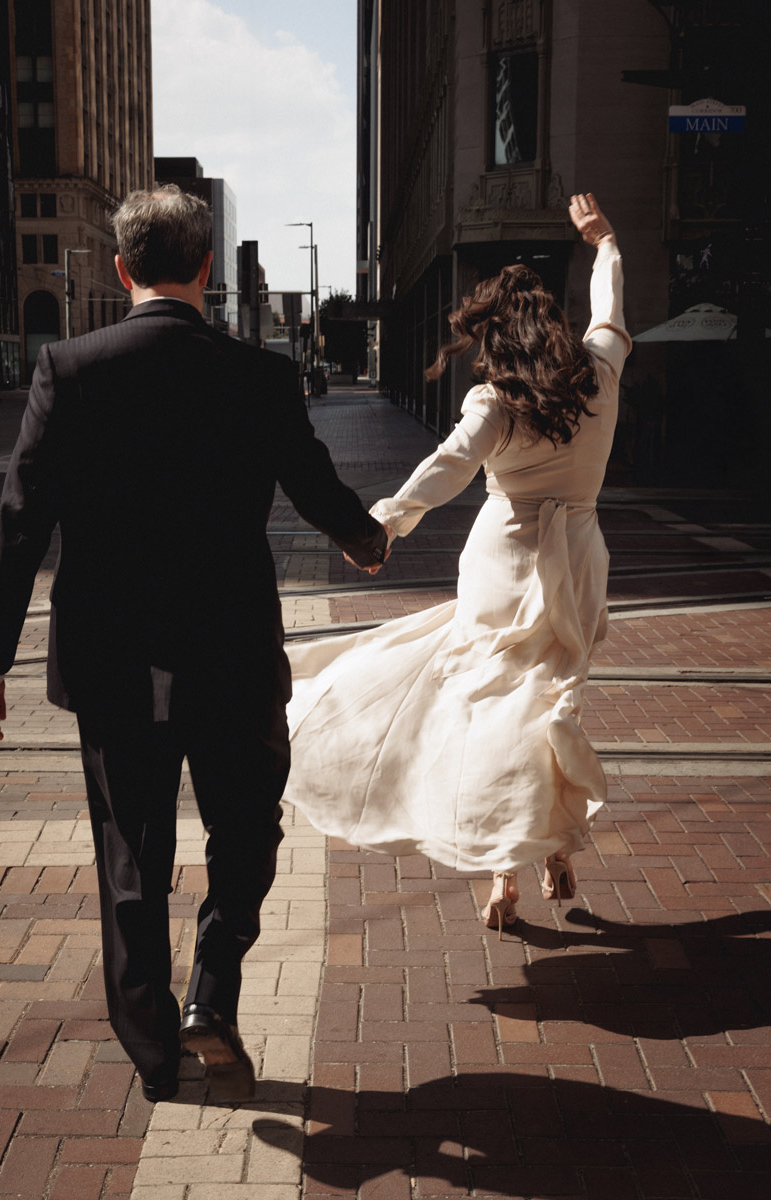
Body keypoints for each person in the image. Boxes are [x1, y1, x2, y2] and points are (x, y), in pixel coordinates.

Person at [0, 185, 387, 1102]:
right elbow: (315, 489)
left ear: (121, 271)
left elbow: (21, 516)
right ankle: (215, 982)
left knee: (131, 857)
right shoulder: (260, 374)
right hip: (231, 651)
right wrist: (368, 539)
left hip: (111, 657)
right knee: (248, 826)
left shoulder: (69, 368)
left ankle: (156, 1053)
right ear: (205, 269)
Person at [283, 193, 631, 938]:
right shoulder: (600, 370)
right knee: (549, 702)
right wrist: (604, 243)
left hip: (504, 567)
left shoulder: (494, 400)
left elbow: (444, 470)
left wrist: (379, 527)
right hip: (579, 563)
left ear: (494, 336)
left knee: (493, 713)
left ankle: (508, 865)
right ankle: (553, 849)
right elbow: (609, 308)